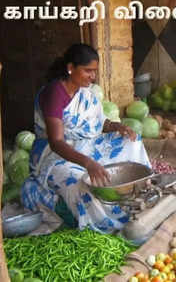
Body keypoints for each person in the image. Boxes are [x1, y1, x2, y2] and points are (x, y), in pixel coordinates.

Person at [21, 44, 151, 233]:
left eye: (95, 71)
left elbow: (98, 123)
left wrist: (117, 127)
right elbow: (56, 142)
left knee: (131, 140)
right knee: (77, 182)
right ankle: (106, 221)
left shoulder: (84, 93)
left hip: (86, 145)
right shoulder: (54, 94)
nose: (93, 76)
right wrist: (88, 163)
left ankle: (139, 191)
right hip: (56, 155)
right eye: (87, 71)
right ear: (71, 68)